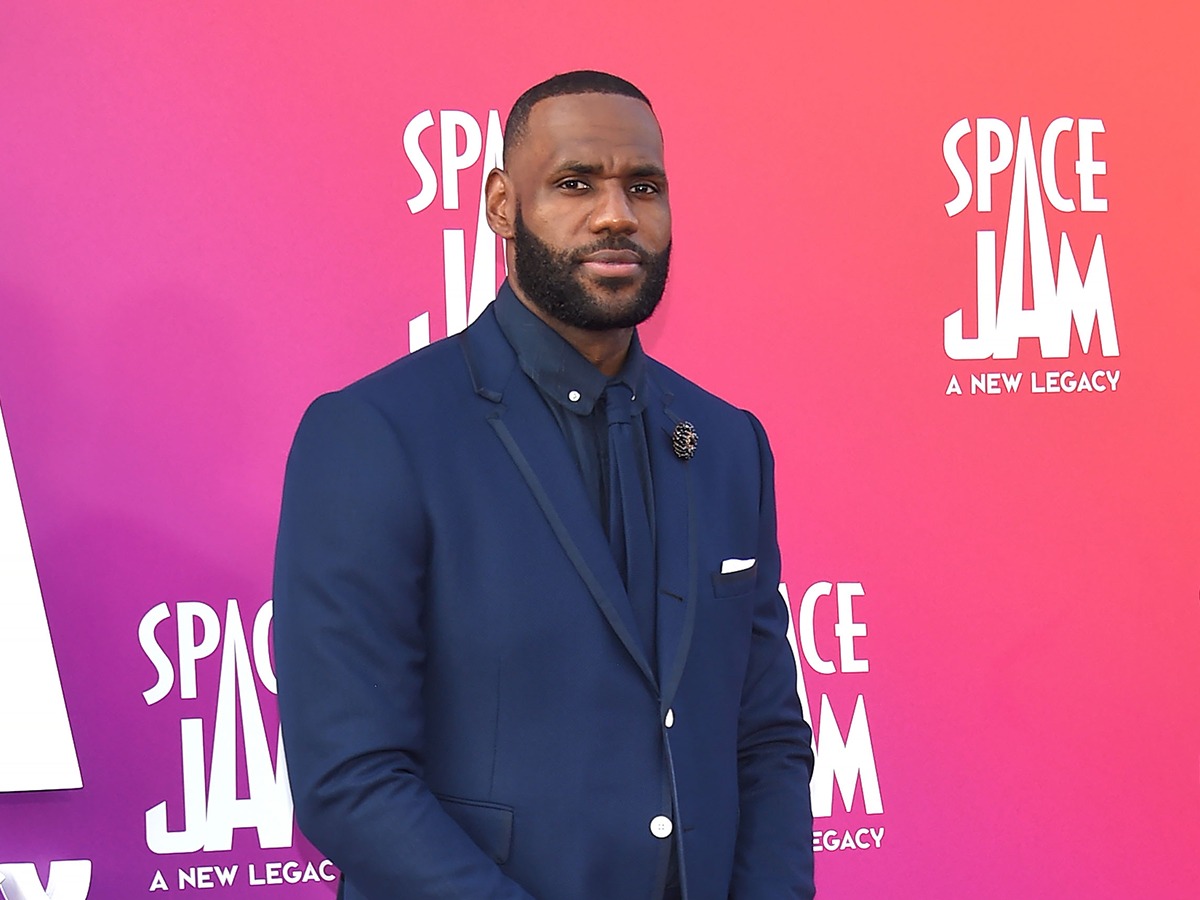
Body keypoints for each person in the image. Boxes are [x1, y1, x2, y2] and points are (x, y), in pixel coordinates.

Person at [273, 70, 815, 900]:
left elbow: (767, 738)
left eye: (644, 186)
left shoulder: (728, 443)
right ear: (502, 205)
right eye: (574, 183)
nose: (616, 214)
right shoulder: (379, 434)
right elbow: (351, 778)